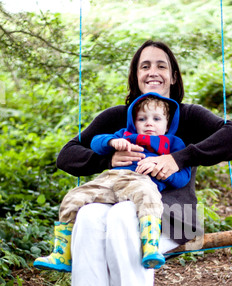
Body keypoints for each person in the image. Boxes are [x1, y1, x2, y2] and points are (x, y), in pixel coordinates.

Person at [56, 40, 232, 286]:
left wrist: (180, 157)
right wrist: (104, 161)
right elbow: (67, 154)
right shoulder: (120, 118)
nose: (153, 72)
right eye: (145, 66)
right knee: (89, 216)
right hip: (117, 203)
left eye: (161, 65)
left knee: (121, 217)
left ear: (173, 75)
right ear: (135, 76)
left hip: (177, 216)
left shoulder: (188, 116)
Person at [33, 93, 191, 272]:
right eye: (142, 118)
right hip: (109, 180)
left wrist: (165, 174)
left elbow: (183, 177)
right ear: (134, 121)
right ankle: (62, 253)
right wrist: (112, 142)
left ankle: (150, 247)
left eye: (156, 118)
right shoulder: (125, 134)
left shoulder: (173, 143)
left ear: (167, 124)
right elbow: (95, 142)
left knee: (148, 196)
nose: (149, 123)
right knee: (74, 196)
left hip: (140, 180)